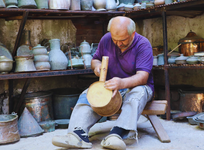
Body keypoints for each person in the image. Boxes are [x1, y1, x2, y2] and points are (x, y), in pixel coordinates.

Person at [52, 16, 154, 150]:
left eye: (123, 40)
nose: (118, 44)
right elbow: (95, 60)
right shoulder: (106, 39)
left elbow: (142, 77)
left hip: (136, 87)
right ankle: (77, 135)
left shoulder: (143, 44)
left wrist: (122, 83)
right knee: (88, 94)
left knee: (137, 94)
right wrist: (97, 66)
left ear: (132, 34)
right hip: (111, 86)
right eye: (115, 40)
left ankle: (117, 134)